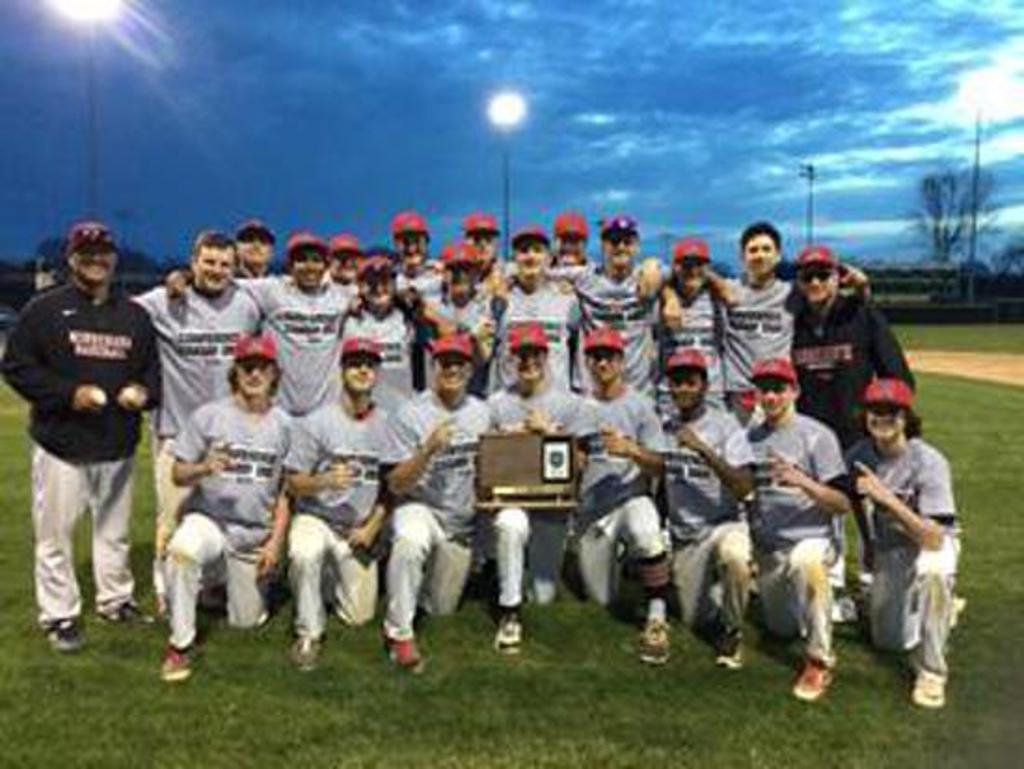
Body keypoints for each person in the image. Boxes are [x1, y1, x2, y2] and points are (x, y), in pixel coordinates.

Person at [2, 220, 160, 651]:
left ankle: (116, 600)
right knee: (55, 534)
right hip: (62, 444)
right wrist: (68, 395)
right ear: (71, 258)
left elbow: (152, 373)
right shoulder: (45, 309)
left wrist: (142, 392)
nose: (96, 260)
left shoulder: (134, 315)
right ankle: (59, 613)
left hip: (117, 443)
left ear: (114, 257)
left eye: (103, 252)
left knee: (114, 532)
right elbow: (16, 366)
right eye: (86, 253)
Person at [134, 231, 262, 613]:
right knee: (172, 515)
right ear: (193, 263)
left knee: (223, 514)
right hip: (178, 432)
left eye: (224, 264)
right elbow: (119, 315)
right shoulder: (164, 301)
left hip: (229, 433)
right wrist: (173, 280)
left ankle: (213, 586)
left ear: (234, 267)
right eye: (208, 262)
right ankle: (164, 589)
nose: (216, 270)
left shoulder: (247, 303)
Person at [160, 334, 292, 683]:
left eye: (261, 368)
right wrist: (203, 468)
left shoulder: (285, 424)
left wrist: (276, 542)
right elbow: (177, 473)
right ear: (235, 371)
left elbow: (286, 492)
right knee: (184, 551)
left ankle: (220, 584)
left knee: (246, 622)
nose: (253, 375)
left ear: (274, 373)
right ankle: (180, 644)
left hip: (253, 533)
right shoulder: (209, 415)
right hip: (212, 522)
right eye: (247, 367)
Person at [284, 337, 402, 670]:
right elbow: (293, 483)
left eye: (369, 364)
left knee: (358, 617)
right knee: (304, 552)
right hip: (318, 518)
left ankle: (327, 578)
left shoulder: (389, 424)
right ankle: (308, 633)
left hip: (358, 529)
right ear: (342, 370)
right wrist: (322, 481)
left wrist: (374, 526)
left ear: (377, 372)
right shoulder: (316, 421)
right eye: (354, 364)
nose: (362, 370)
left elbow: (392, 487)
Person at [845, 379, 960, 709]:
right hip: (891, 548)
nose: (882, 418)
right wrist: (869, 547)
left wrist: (889, 500)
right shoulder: (858, 455)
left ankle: (932, 672)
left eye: (891, 411)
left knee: (934, 576)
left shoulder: (929, 461)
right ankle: (931, 608)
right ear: (864, 415)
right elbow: (853, 503)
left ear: (906, 416)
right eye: (874, 410)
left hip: (932, 544)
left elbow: (934, 537)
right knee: (889, 642)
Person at [382, 333, 494, 672]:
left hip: (460, 524)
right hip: (421, 507)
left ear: (470, 369)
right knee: (410, 540)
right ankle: (399, 634)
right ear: (434, 366)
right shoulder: (410, 412)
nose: (452, 369)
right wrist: (428, 449)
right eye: (445, 362)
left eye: (459, 363)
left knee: (441, 608)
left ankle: (416, 591)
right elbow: (396, 483)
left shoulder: (483, 413)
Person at [746, 357, 852, 702]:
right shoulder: (750, 437)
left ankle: (819, 660)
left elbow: (842, 503)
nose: (771, 396)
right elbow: (747, 496)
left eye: (779, 388)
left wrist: (803, 481)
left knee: (807, 564)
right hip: (770, 547)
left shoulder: (817, 436)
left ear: (795, 391)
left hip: (812, 540)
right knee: (781, 629)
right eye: (765, 389)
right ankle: (832, 605)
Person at [488, 322, 593, 654]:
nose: (528, 362)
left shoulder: (570, 403)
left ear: (546, 356)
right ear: (511, 359)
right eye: (521, 355)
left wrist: (549, 433)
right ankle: (509, 612)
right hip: (513, 499)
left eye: (534, 354)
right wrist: (512, 440)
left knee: (544, 596)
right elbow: (486, 462)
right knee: (509, 524)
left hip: (553, 506)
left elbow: (580, 463)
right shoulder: (496, 404)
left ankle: (515, 576)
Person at [574, 326, 672, 665]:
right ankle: (630, 563)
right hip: (592, 514)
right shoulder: (578, 407)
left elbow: (662, 466)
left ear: (621, 361)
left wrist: (631, 450)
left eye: (609, 356)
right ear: (587, 362)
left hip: (631, 499)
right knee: (602, 599)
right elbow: (568, 460)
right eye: (596, 357)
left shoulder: (641, 406)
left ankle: (657, 615)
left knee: (646, 526)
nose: (602, 363)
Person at [656, 348, 755, 668]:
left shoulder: (727, 426)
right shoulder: (665, 427)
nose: (682, 388)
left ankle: (732, 630)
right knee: (693, 618)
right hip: (687, 536)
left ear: (704, 385)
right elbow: (658, 470)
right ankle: (714, 588)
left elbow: (744, 487)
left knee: (736, 556)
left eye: (690, 381)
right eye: (676, 382)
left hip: (724, 524)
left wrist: (703, 450)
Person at [239, 231, 352, 416]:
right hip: (277, 411)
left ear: (326, 266)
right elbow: (226, 281)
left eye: (316, 260)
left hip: (326, 413)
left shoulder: (341, 295)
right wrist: (181, 276)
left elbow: (381, 290)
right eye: (301, 260)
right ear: (290, 265)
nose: (309, 266)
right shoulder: (271, 289)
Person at [574, 215, 659, 397]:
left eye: (627, 242)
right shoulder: (584, 278)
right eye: (614, 241)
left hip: (638, 390)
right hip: (594, 390)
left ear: (637, 245)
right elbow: (539, 271)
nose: (621, 247)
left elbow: (686, 272)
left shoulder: (648, 277)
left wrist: (654, 264)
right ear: (603, 245)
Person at [492, 226, 581, 393]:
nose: (530, 256)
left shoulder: (568, 300)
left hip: (556, 407)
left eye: (537, 250)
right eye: (524, 251)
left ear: (549, 258)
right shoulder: (499, 300)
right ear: (514, 259)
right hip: (512, 406)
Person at [654, 237, 727, 418]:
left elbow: (733, 296)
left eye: (699, 264)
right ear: (675, 268)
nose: (693, 271)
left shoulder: (716, 297)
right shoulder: (660, 299)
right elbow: (648, 278)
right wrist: (669, 296)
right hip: (671, 393)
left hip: (711, 393)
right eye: (686, 265)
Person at [341, 250, 419, 415]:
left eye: (385, 280)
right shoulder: (347, 321)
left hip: (402, 412)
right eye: (371, 282)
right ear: (360, 286)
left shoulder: (408, 317)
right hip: (361, 413)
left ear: (394, 284)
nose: (378, 287)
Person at [327, 232, 363, 303]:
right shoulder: (316, 287)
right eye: (342, 258)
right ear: (329, 260)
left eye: (353, 258)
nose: (348, 263)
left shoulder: (364, 291)